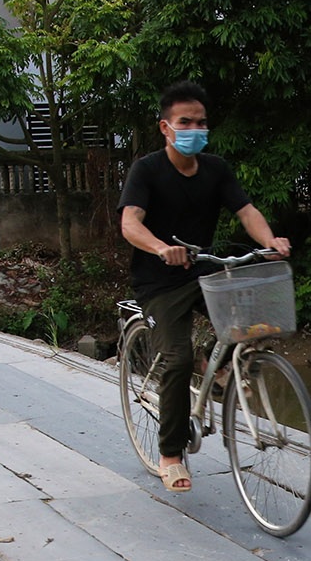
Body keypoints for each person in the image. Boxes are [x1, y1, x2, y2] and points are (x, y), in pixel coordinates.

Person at [119, 81, 290, 492]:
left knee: (255, 323)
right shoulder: (147, 170)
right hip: (159, 282)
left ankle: (221, 370)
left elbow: (246, 211)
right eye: (185, 122)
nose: (194, 128)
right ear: (166, 127)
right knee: (175, 360)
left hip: (206, 272)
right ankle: (171, 453)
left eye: (201, 122)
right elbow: (130, 222)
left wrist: (269, 241)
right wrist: (161, 248)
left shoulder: (215, 169)